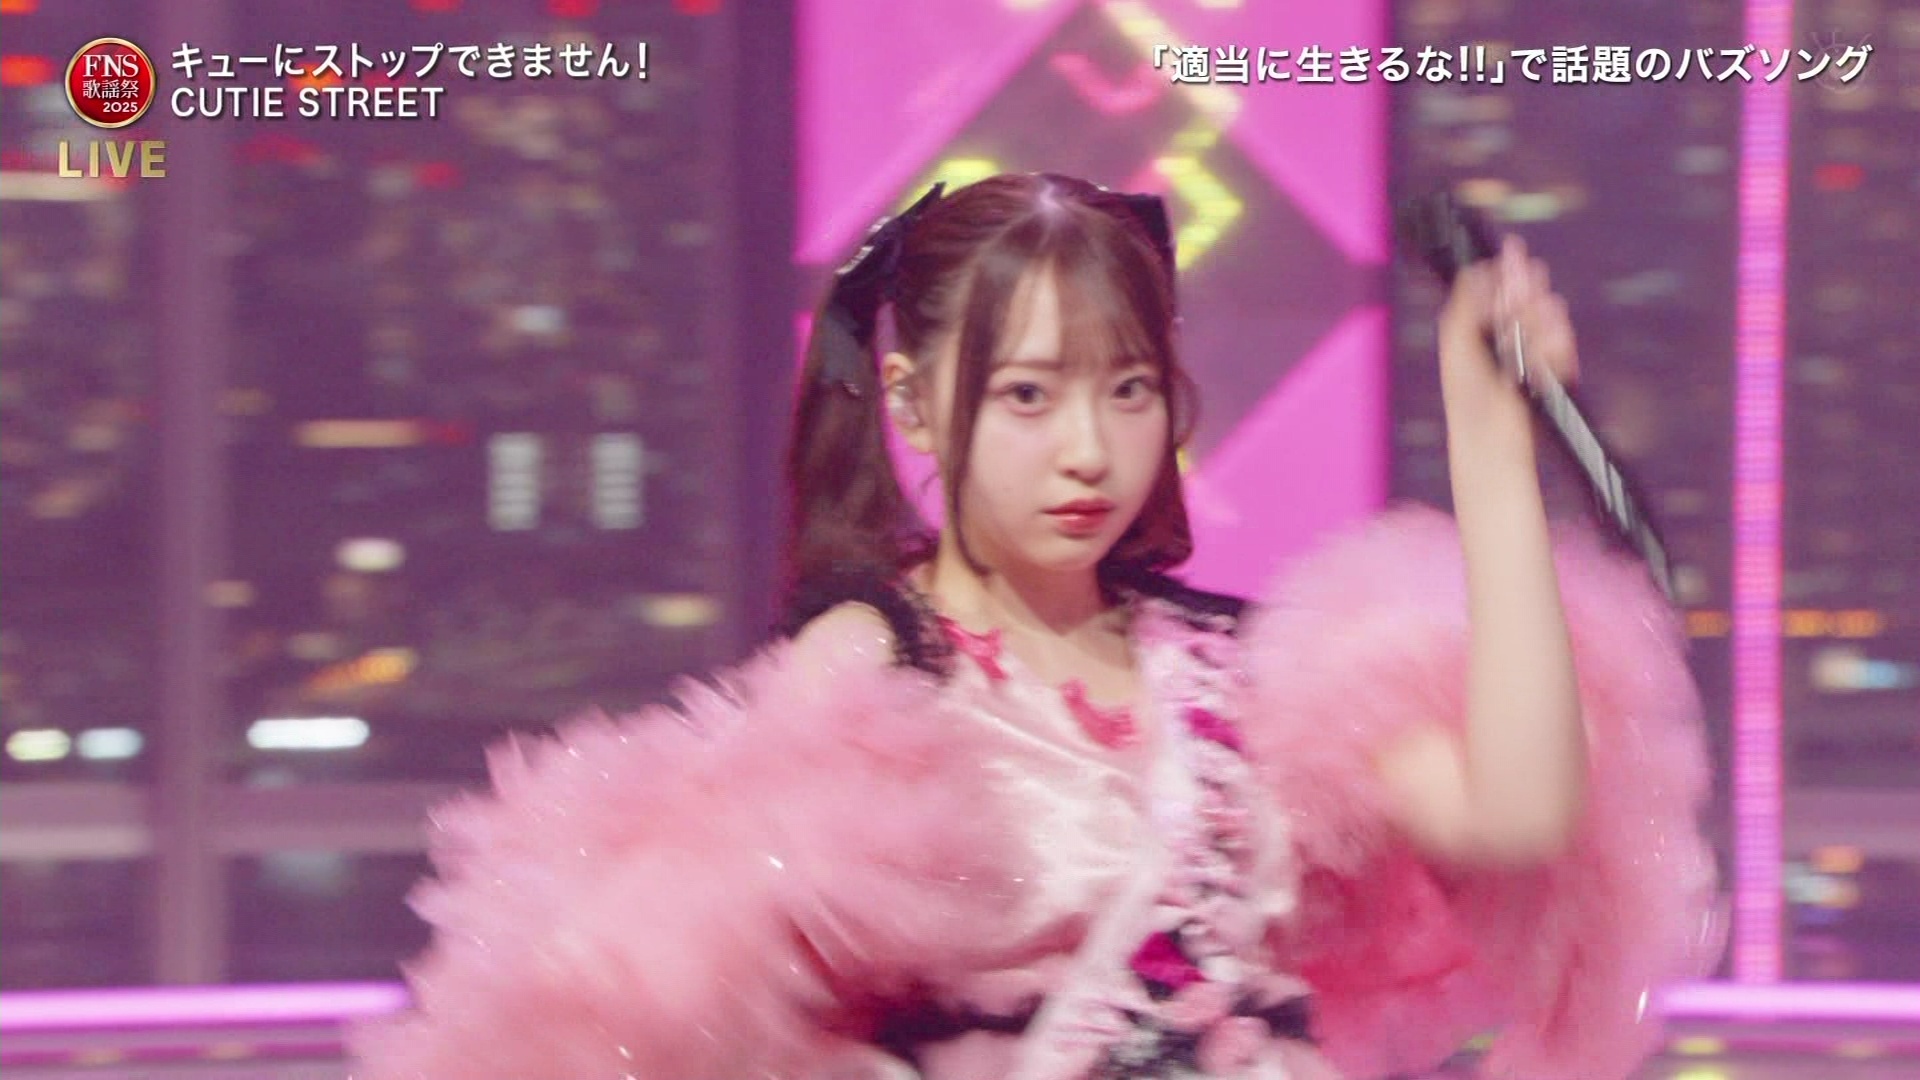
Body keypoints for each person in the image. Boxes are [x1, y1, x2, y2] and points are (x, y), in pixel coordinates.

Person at [347, 173, 1722, 1080]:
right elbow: (670, 1007)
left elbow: (1520, 814)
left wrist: (1489, 440)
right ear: (909, 397)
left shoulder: (1257, 677)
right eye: (1027, 395)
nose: (1088, 450)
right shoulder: (871, 672)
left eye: (1128, 390)